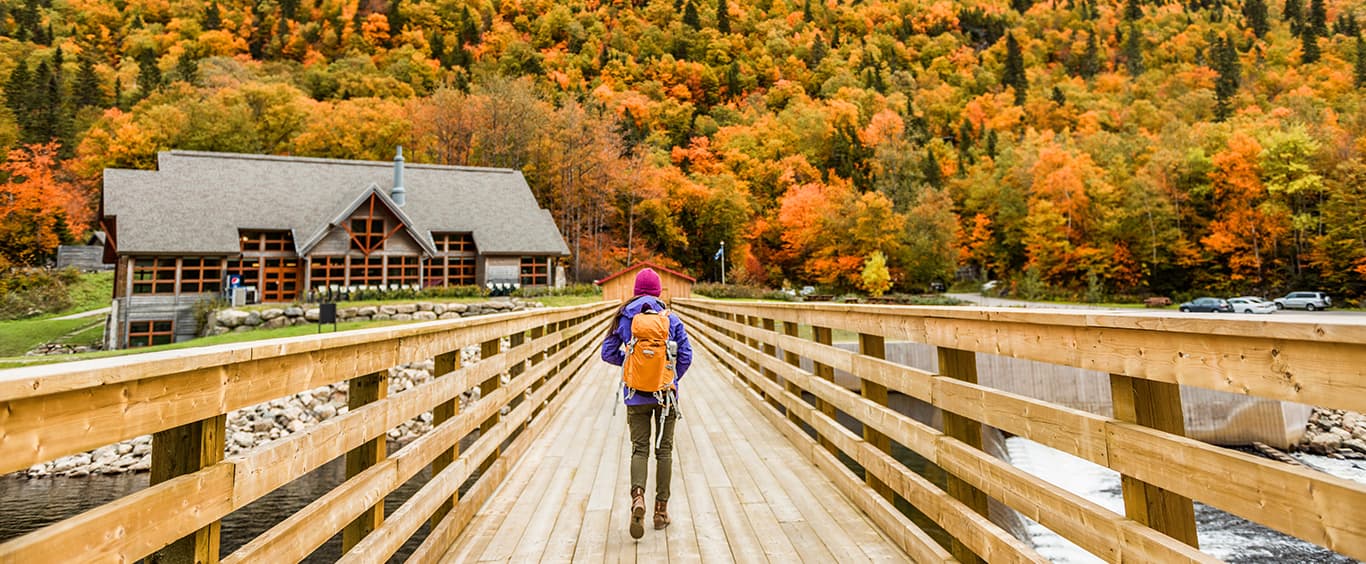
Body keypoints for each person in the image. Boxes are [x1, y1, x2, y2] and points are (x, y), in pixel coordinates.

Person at [600, 268, 693, 540]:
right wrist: (670, 377)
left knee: (639, 449)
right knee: (664, 451)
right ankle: (661, 511)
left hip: (635, 394)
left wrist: (631, 367)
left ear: (635, 291)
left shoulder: (624, 316)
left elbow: (607, 353)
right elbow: (686, 355)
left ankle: (637, 499)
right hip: (666, 395)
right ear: (658, 292)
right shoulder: (671, 319)